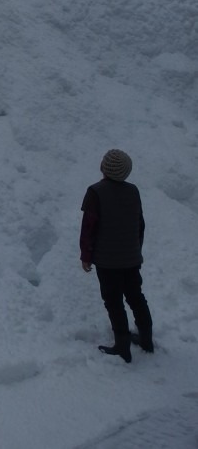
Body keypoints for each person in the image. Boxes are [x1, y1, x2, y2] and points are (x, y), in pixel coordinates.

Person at [80, 148, 154, 363]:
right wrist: (135, 249)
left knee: (113, 301)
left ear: (103, 167)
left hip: (107, 261)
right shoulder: (133, 191)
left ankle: (122, 346)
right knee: (136, 297)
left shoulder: (95, 192)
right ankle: (147, 339)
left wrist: (86, 255)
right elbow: (140, 224)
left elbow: (89, 227)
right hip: (131, 258)